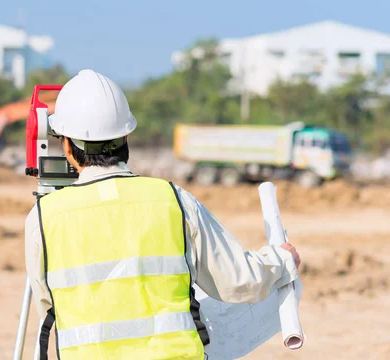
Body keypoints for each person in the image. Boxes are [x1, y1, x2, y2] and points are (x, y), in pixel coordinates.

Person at [24, 69, 301, 360]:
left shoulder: (43, 218)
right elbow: (238, 281)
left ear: (67, 145)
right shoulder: (174, 200)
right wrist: (282, 260)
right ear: (126, 135)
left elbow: (49, 310)